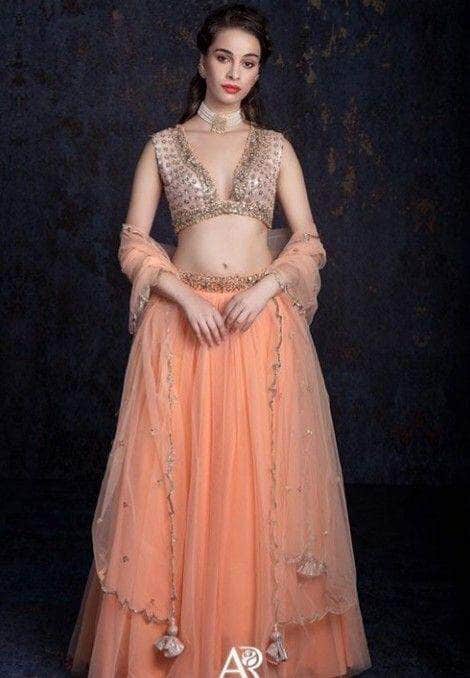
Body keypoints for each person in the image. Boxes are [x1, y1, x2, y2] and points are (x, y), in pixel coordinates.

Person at [65, 4, 372, 676]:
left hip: (260, 331)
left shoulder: (276, 147)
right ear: (203, 60)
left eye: (249, 62)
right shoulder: (163, 145)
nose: (235, 72)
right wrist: (180, 294)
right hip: (184, 330)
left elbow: (308, 240)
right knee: (180, 485)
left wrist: (266, 288)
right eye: (224, 57)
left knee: (257, 487)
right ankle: (183, 650)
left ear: (259, 72)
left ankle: (248, 656)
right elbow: (134, 243)